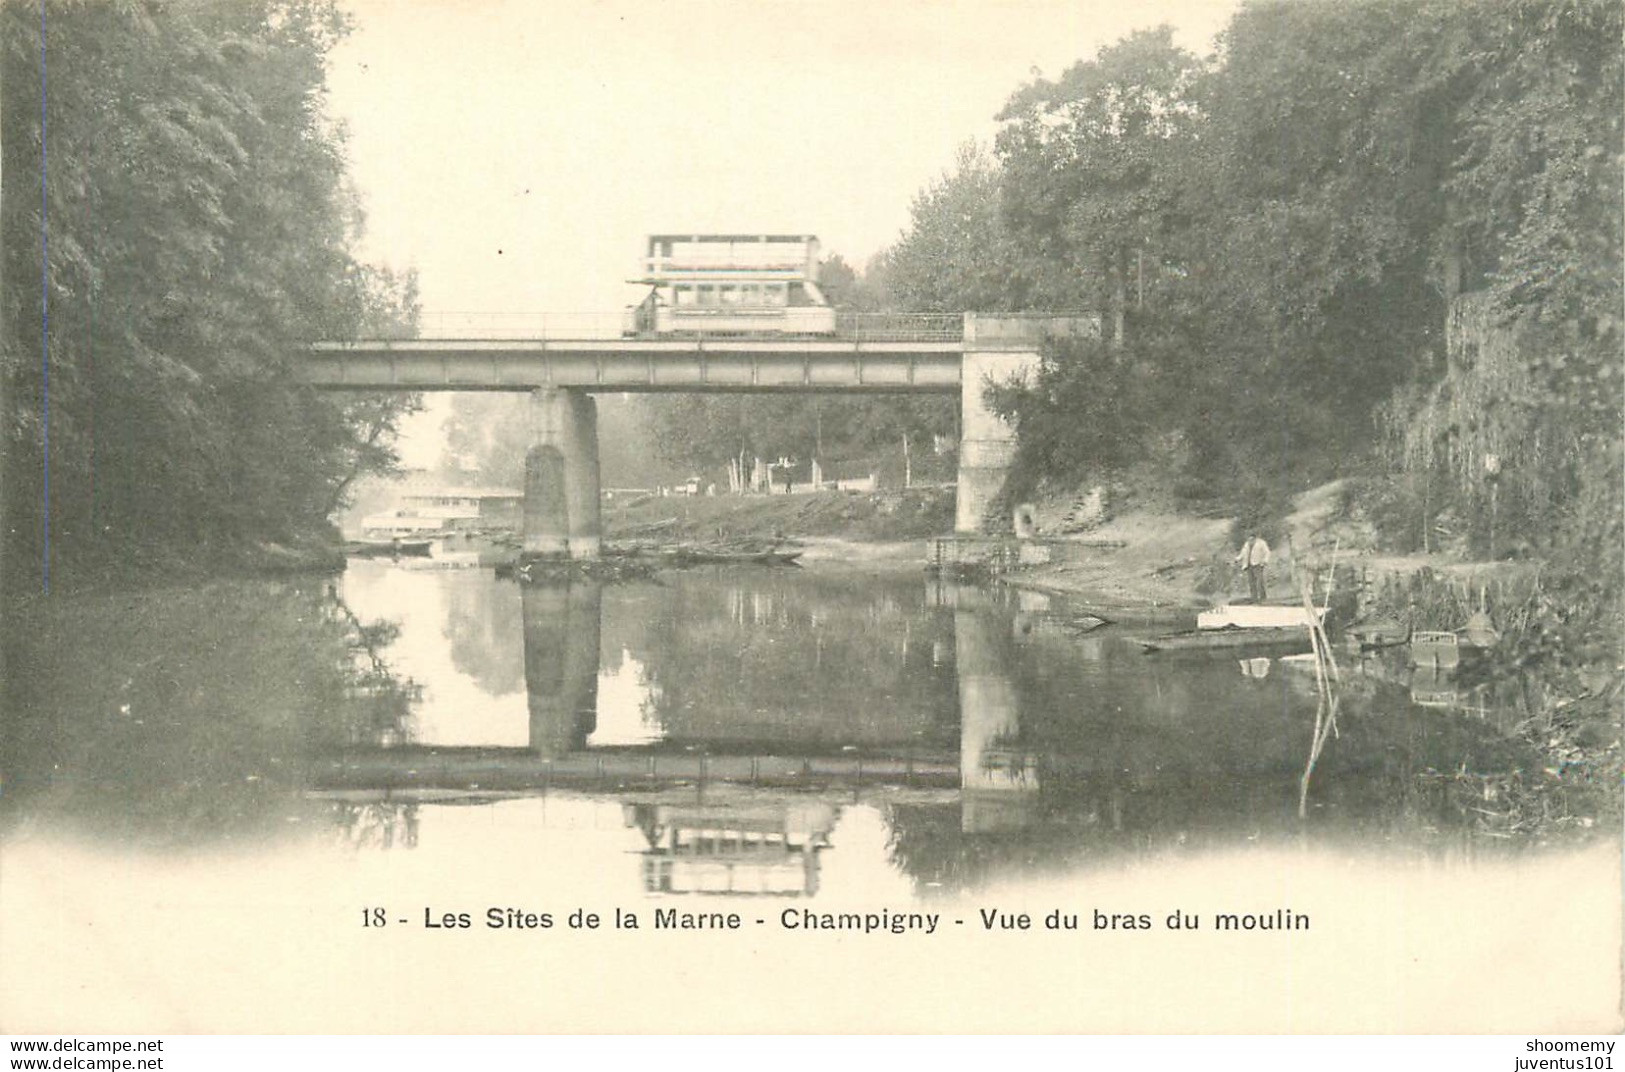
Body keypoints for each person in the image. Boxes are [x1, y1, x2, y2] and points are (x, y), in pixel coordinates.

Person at [1235, 532, 1271, 602]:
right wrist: (1237, 559)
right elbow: (1243, 553)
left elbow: (1267, 552)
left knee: (1259, 582)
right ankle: (1254, 598)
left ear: (1255, 538)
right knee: (1251, 582)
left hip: (1258, 564)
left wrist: (1265, 561)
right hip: (1249, 565)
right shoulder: (1247, 544)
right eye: (1249, 538)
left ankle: (1262, 598)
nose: (1250, 540)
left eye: (1252, 538)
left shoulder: (1261, 543)